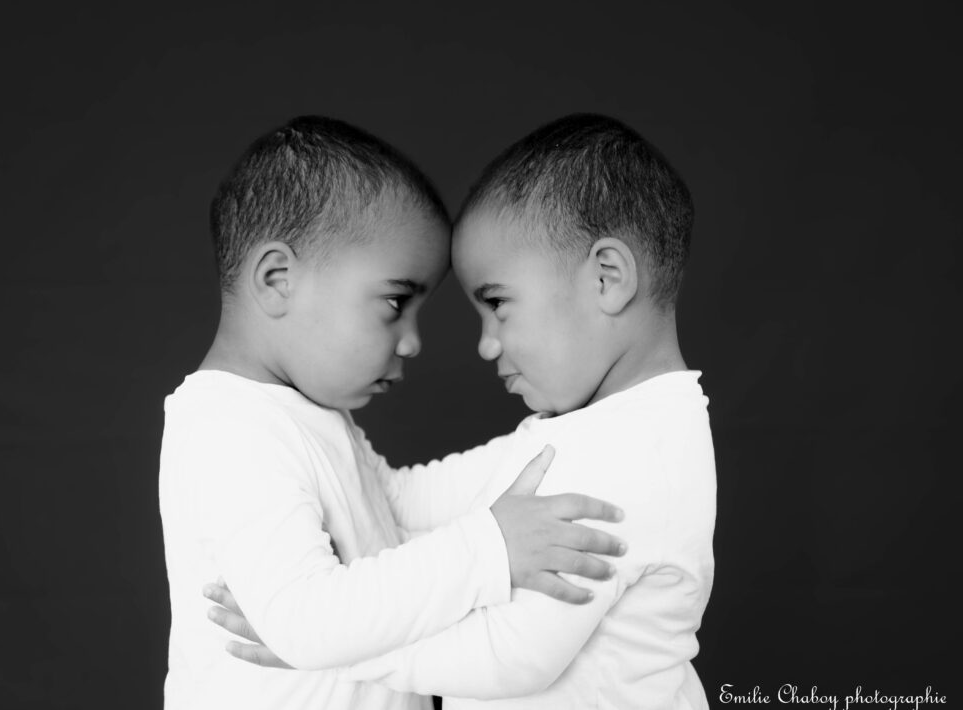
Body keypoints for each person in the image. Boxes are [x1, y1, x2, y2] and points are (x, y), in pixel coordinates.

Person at [208, 113, 716, 709]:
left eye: (499, 305)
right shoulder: (587, 433)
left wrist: (325, 648)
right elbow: (398, 505)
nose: (487, 344)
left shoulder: (633, 456)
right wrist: (308, 622)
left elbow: (514, 655)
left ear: (608, 278)